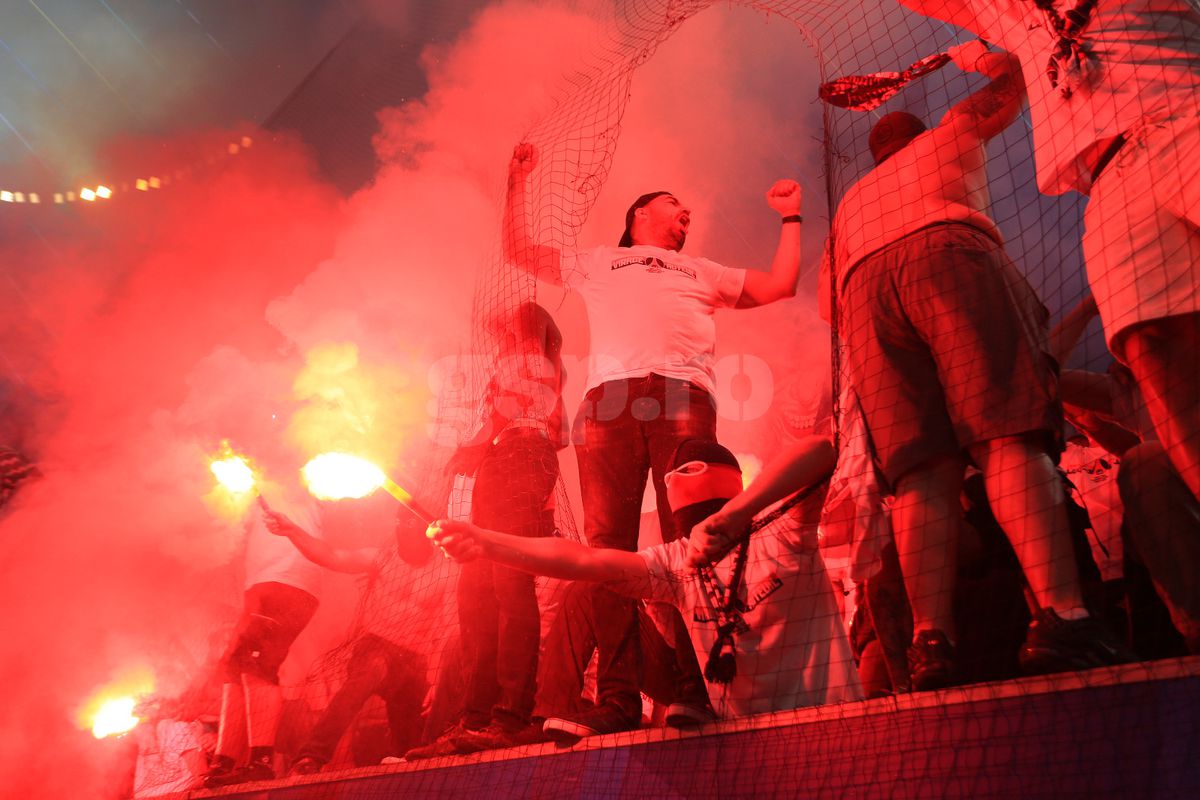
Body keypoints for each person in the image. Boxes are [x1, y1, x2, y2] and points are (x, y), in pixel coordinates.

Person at [820, 40, 1131, 690]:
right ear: (919, 134)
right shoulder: (950, 133)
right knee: (1006, 439)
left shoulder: (852, 204)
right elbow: (1014, 85)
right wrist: (981, 55)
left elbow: (828, 305)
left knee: (920, 474)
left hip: (863, 291)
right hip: (946, 251)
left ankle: (930, 644)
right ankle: (1064, 615)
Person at [503, 141, 806, 736]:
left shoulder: (703, 270)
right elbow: (518, 251)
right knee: (606, 552)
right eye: (673, 202)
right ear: (640, 214)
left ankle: (697, 690)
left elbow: (780, 285)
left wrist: (791, 216)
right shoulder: (599, 261)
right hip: (608, 402)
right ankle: (617, 701)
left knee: (691, 540)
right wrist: (515, 183)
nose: (685, 210)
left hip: (681, 396)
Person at [895, 0, 1200, 505]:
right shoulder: (1010, 10)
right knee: (1151, 345)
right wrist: (977, 57)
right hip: (1109, 180)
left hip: (1188, 115)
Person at [429, 436, 861, 740]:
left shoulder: (783, 533)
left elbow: (822, 450)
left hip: (831, 727)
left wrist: (733, 517)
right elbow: (585, 560)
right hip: (743, 743)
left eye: (689, 472)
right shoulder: (677, 561)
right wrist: (486, 542)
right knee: (594, 585)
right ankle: (595, 708)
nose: (678, 481)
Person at [405, 302, 565, 758]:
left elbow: (530, 403)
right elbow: (555, 429)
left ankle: (510, 716)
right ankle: (474, 718)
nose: (498, 329)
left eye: (508, 325)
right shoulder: (516, 360)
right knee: (475, 592)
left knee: (510, 585)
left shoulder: (531, 349)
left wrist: (477, 443)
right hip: (505, 461)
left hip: (518, 456)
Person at [255, 508, 428, 775]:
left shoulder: (446, 566)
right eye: (401, 525)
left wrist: (435, 681)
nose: (405, 532)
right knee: (368, 673)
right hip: (378, 646)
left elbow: (447, 622)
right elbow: (332, 556)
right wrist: (292, 530)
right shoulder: (383, 557)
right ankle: (311, 756)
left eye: (412, 526)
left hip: (415, 661)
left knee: (409, 747)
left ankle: (407, 763)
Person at [203, 497, 322, 788]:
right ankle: (223, 762)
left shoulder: (288, 477)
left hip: (288, 580)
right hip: (264, 583)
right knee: (234, 666)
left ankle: (261, 761)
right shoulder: (253, 489)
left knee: (257, 665)